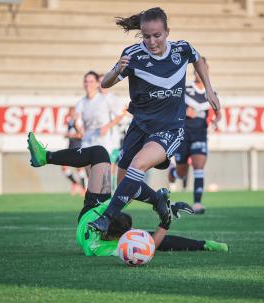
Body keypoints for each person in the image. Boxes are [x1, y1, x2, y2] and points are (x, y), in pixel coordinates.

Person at [89, 7, 221, 233]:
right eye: (146, 36)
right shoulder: (132, 55)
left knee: (138, 164)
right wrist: (116, 71)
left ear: (167, 32)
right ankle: (159, 201)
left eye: (157, 35)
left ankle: (107, 218)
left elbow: (199, 60)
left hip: (170, 128)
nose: (151, 41)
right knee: (124, 186)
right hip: (140, 127)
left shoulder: (183, 49)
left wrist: (209, 89)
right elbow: (105, 83)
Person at [27, 132, 228, 256]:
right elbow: (157, 244)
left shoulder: (109, 249)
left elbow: (152, 245)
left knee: (101, 155)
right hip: (97, 213)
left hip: (90, 213)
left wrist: (164, 222)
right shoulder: (118, 240)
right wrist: (166, 219)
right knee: (102, 157)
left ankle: (46, 157)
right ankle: (201, 241)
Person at [168, 57, 222, 214]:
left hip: (200, 134)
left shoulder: (211, 92)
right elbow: (172, 108)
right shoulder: (185, 89)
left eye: (203, 69)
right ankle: (173, 172)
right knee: (181, 172)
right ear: (194, 71)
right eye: (198, 69)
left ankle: (197, 203)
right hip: (183, 135)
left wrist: (217, 120)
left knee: (199, 166)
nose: (200, 72)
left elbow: (218, 112)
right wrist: (185, 112)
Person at [74, 71, 125, 158]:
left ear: (98, 83)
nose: (88, 84)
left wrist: (107, 127)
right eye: (86, 81)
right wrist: (79, 128)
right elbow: (77, 120)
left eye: (91, 81)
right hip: (87, 140)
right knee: (88, 169)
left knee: (104, 169)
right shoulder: (81, 102)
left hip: (103, 141)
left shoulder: (105, 99)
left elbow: (120, 114)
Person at [62, 106, 86, 195]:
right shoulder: (70, 122)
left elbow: (81, 135)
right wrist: (67, 135)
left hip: (77, 147)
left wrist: (70, 135)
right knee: (64, 167)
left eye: (71, 111)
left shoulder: (77, 122)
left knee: (79, 168)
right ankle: (76, 184)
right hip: (70, 147)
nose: (69, 113)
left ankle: (83, 188)